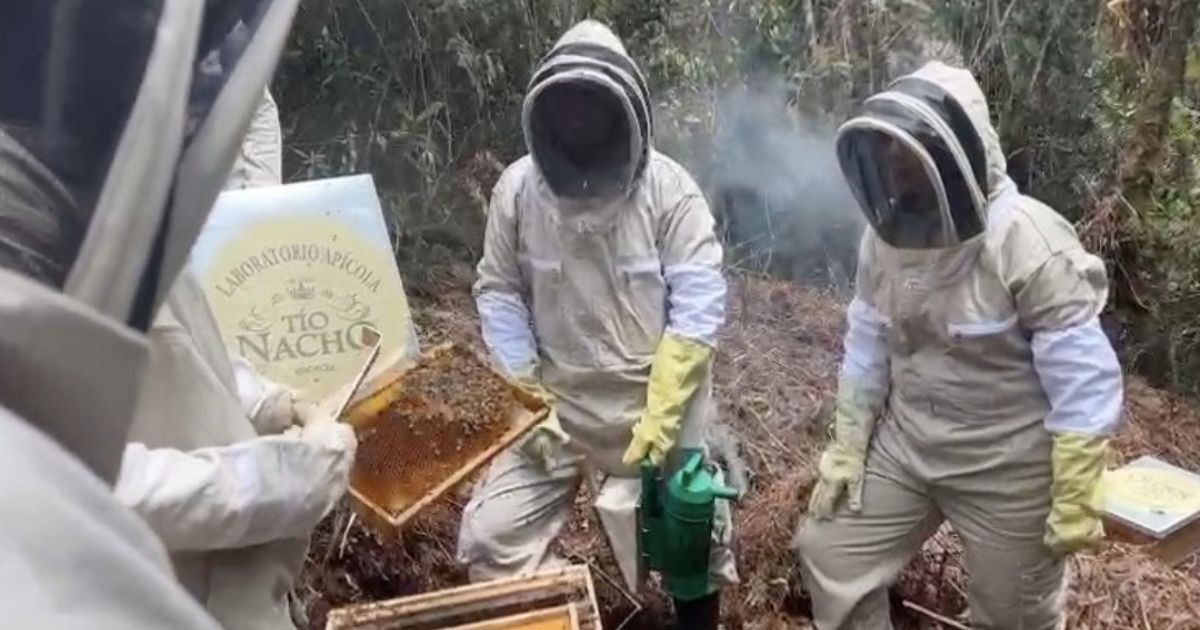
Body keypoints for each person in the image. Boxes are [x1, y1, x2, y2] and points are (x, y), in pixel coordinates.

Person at [0, 0, 302, 627]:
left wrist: (252, 397)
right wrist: (273, 481)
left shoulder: (118, 222)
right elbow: (72, 477)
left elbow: (167, 335)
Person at [794, 61, 1123, 629]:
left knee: (1012, 617)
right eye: (891, 153)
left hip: (1009, 467)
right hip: (908, 445)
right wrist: (849, 443)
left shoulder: (1029, 241)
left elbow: (1083, 375)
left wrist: (1075, 486)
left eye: (911, 152)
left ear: (958, 150)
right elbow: (868, 341)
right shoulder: (883, 239)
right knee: (831, 552)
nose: (898, 168)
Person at [456, 19, 737, 629]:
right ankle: (556, 610)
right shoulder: (516, 191)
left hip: (656, 401)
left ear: (622, 108)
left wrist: (665, 411)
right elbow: (499, 291)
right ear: (546, 112)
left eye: (593, 103)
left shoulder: (671, 191)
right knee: (490, 537)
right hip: (558, 406)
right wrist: (524, 390)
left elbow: (699, 300)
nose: (579, 117)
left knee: (695, 532)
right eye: (568, 105)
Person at [114, 89, 356, 630]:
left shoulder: (136, 218)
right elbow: (99, 484)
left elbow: (192, 349)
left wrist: (271, 400)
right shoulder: (30, 247)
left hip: (243, 595)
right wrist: (294, 477)